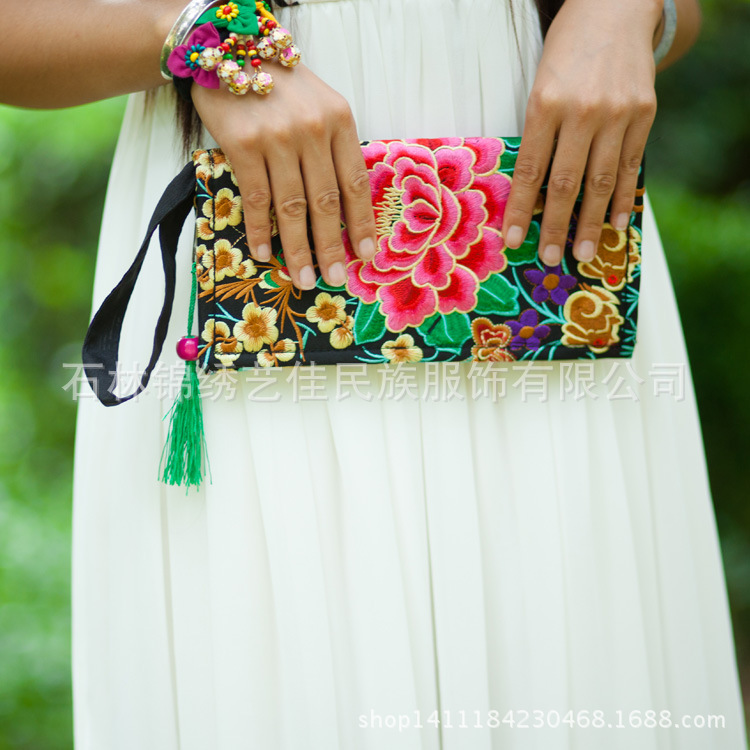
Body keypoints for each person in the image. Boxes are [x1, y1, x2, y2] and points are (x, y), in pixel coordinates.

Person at [3, 0, 746, 747]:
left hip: (546, 230)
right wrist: (204, 36)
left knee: (570, 643)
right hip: (257, 227)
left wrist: (619, 13)